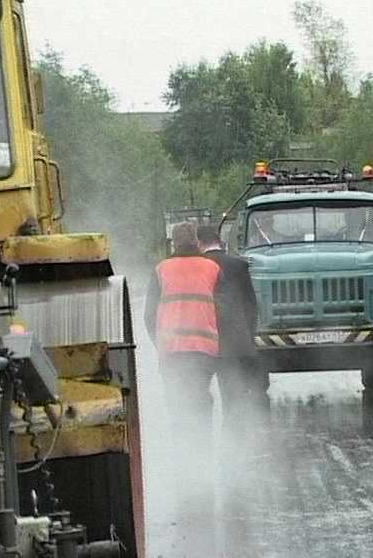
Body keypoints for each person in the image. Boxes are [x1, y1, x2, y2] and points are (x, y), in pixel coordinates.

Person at [143, 221, 221, 555]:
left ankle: (183, 464)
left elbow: (148, 315)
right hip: (203, 352)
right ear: (197, 243)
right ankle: (201, 462)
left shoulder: (161, 270)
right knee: (201, 404)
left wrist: (160, 343)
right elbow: (223, 309)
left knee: (177, 407)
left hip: (172, 354)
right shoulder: (212, 268)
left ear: (173, 244)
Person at [196, 223, 270, 436]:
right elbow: (251, 305)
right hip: (235, 342)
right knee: (233, 396)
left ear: (199, 243)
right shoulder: (239, 265)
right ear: (219, 240)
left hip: (204, 341)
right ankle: (235, 441)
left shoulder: (199, 265)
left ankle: (201, 441)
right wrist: (248, 336)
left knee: (197, 395)